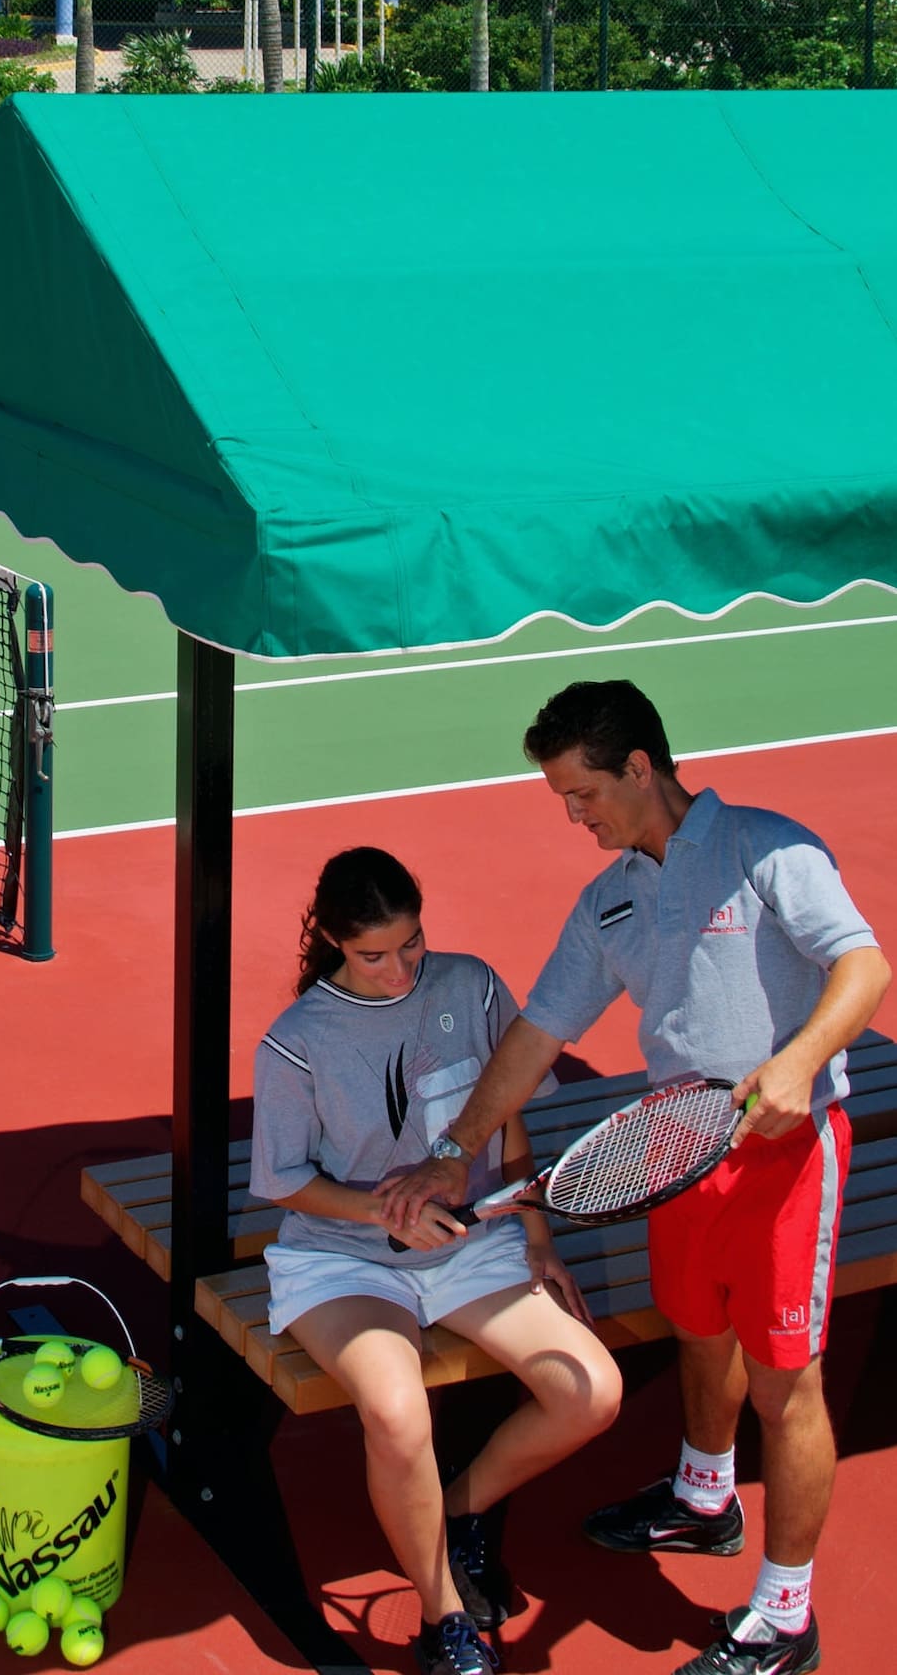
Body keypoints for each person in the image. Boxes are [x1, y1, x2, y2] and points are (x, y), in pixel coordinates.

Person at [383, 681, 890, 1675]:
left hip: (787, 1157)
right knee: (700, 1333)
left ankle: (787, 1617)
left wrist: (795, 1064)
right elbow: (537, 1034)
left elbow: (864, 967)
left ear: (640, 767)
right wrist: (457, 1150)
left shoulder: (766, 846)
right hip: (677, 1149)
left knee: (789, 1387)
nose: (576, 815)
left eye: (583, 793)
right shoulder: (610, 898)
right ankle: (705, 1498)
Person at [252, 846, 622, 1675]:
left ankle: (453, 1507)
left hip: (473, 1245)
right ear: (335, 942)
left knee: (591, 1393)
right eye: (373, 954)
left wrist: (537, 1237)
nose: (399, 969)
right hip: (345, 1262)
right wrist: (390, 1210)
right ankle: (442, 1616)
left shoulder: (473, 986)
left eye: (411, 944)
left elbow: (508, 1118)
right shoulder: (295, 1043)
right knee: (395, 1412)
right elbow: (285, 1184)